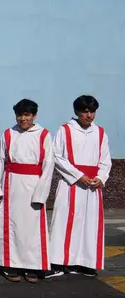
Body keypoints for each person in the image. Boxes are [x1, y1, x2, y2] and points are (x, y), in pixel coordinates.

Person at [0, 99, 54, 283]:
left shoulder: (44, 135)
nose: (23, 118)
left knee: (32, 229)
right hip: (12, 186)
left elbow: (48, 166)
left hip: (34, 186)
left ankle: (32, 266)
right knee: (11, 227)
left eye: (27, 115)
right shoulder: (9, 134)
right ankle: (9, 264)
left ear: (34, 115)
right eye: (20, 115)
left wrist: (41, 194)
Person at [48, 95, 112, 278]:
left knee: (89, 224)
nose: (89, 115)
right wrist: (78, 175)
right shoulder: (65, 130)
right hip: (71, 184)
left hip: (92, 186)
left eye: (92, 112)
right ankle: (58, 262)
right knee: (64, 222)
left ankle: (84, 262)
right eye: (85, 112)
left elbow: (105, 159)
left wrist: (101, 177)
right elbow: (58, 156)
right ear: (77, 112)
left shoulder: (100, 133)